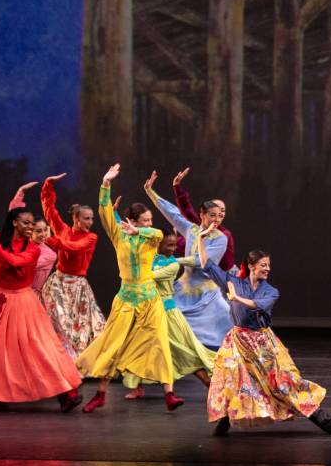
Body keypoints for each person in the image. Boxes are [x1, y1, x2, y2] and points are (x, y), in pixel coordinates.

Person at [0, 167, 82, 411]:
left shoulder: (34, 250)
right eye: (26, 224)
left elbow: (15, 261)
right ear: (15, 223)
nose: (30, 228)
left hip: (24, 301)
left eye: (32, 225)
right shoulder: (2, 239)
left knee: (39, 346)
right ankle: (0, 396)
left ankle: (66, 394)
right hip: (0, 299)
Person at [198, 235, 331, 437]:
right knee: (232, 380)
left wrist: (235, 298)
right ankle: (223, 423)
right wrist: (200, 238)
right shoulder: (234, 282)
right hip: (237, 341)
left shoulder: (271, 291)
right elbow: (207, 264)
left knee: (281, 382)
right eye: (263, 265)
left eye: (268, 265)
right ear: (251, 266)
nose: (267, 269)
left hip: (261, 343)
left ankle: (322, 419)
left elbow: (256, 305)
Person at [74, 165, 180, 413]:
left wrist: (140, 229)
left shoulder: (151, 237)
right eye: (144, 220)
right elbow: (104, 212)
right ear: (130, 221)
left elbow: (157, 234)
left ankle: (169, 393)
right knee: (113, 344)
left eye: (150, 220)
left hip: (150, 298)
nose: (149, 223)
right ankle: (100, 394)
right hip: (126, 299)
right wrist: (105, 184)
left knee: (159, 342)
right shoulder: (119, 236)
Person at [120, 230, 216, 400]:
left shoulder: (172, 265)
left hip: (168, 314)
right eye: (169, 245)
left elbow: (147, 277)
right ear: (157, 243)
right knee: (140, 349)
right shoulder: (149, 259)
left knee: (184, 351)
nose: (173, 249)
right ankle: (137, 387)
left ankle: (210, 385)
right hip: (148, 312)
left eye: (174, 245)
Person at [144, 173, 232, 349]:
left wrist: (176, 261)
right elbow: (173, 213)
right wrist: (150, 192)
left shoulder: (221, 238)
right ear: (202, 215)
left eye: (220, 216)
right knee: (167, 320)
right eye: (212, 215)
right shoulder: (192, 230)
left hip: (207, 293)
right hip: (183, 289)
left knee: (228, 322)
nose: (216, 220)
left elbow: (201, 262)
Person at [38, 172, 107, 359]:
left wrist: (50, 239)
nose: (90, 222)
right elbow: (49, 209)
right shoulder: (63, 230)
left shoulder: (91, 238)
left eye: (91, 219)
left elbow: (73, 247)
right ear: (76, 219)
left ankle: (78, 362)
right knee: (59, 323)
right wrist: (48, 185)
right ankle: (56, 359)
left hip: (77, 286)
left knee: (84, 327)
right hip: (58, 284)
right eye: (86, 218)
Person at [171, 167, 237, 271]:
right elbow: (186, 209)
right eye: (214, 212)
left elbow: (226, 265)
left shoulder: (225, 235)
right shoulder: (199, 224)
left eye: (222, 211)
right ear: (205, 214)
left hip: (223, 274)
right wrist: (177, 186)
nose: (219, 214)